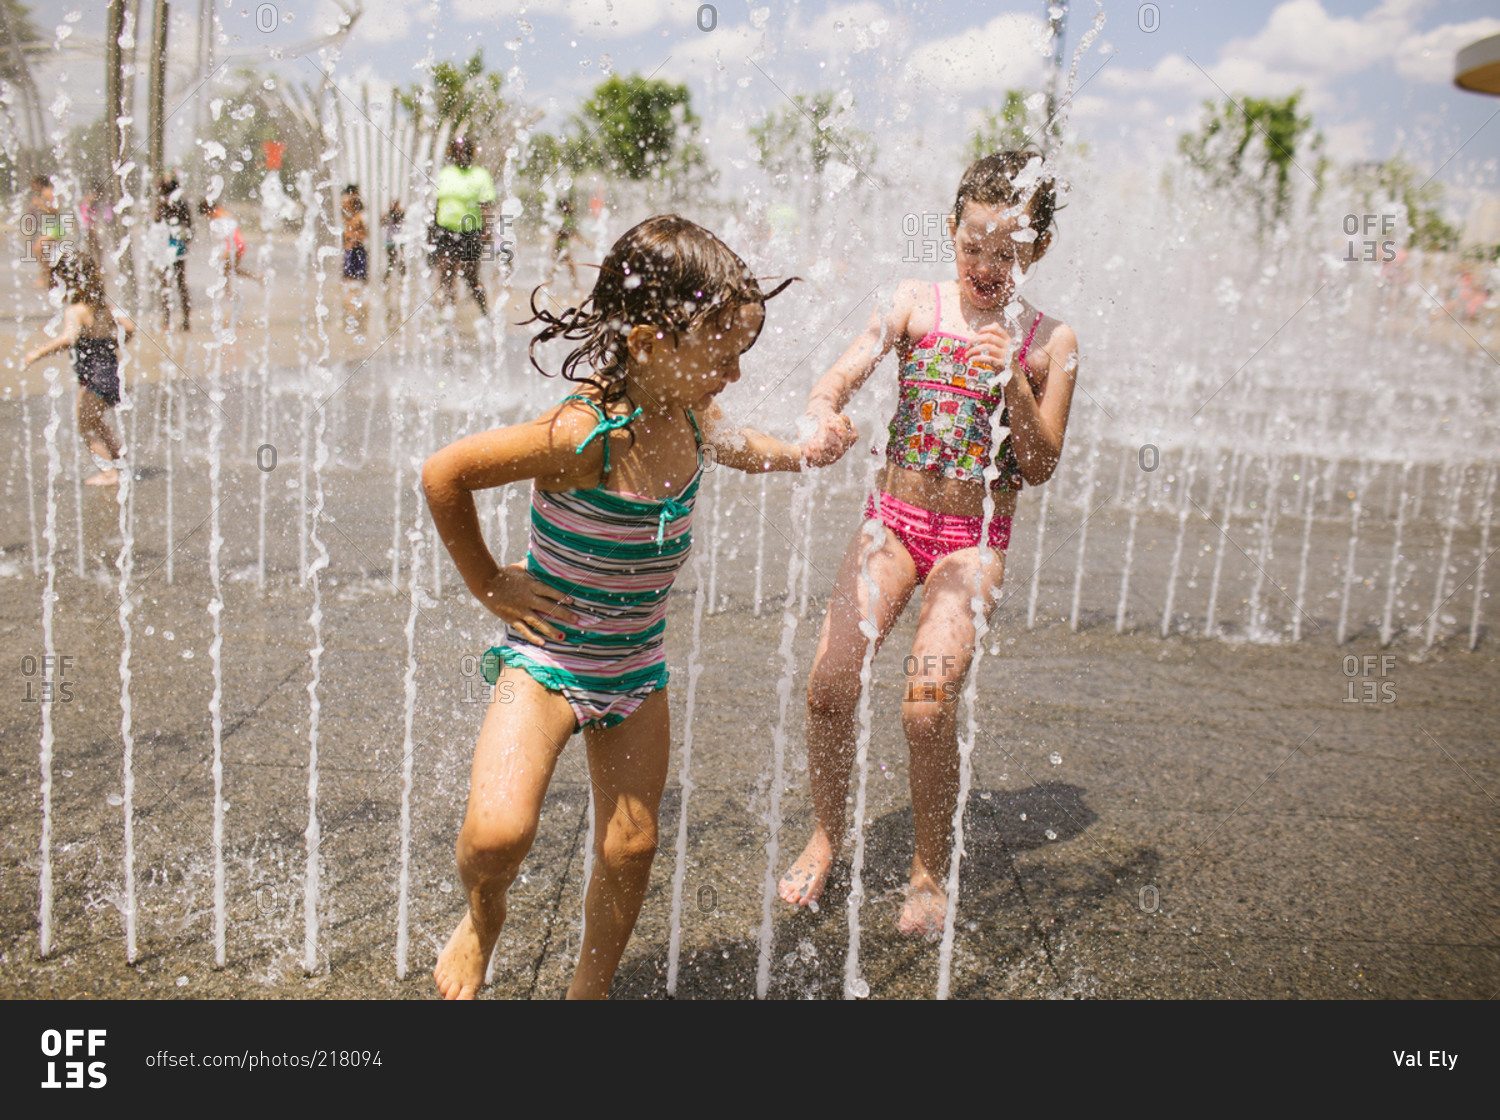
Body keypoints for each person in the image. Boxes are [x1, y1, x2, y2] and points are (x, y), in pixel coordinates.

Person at [423, 214, 834, 999]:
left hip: (635, 665)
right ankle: (482, 919)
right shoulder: (582, 434)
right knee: (495, 837)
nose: (735, 375)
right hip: (547, 658)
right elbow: (445, 473)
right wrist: (490, 585)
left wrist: (803, 454)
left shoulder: (689, 415)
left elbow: (744, 444)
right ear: (647, 344)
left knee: (631, 847)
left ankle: (590, 992)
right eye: (723, 354)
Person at [778, 150, 1080, 937]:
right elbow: (835, 379)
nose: (987, 265)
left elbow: (1041, 465)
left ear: (1036, 250)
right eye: (973, 245)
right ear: (951, 232)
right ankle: (825, 834)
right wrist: (822, 415)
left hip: (972, 540)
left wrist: (1012, 380)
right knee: (830, 684)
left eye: (1007, 252)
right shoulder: (915, 304)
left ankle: (926, 868)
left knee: (924, 707)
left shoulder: (1051, 342)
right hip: (894, 524)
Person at [22, 252, 136, 486]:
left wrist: (37, 353)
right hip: (110, 374)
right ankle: (119, 458)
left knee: (85, 425)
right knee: (95, 420)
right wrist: (116, 344)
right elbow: (130, 327)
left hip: (94, 377)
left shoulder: (76, 311)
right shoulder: (103, 307)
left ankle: (109, 473)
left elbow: (68, 338)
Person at [429, 135, 494, 318]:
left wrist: (487, 230)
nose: (461, 155)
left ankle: (484, 313)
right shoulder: (445, 174)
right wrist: (431, 229)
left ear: (471, 153)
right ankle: (445, 314)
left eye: (465, 151)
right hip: (445, 230)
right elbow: (437, 203)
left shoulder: (480, 175)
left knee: (470, 274)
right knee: (445, 272)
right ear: (452, 153)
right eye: (457, 151)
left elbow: (485, 205)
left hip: (471, 232)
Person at [156, 175, 192, 331]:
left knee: (166, 283)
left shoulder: (164, 203)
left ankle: (166, 321)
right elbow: (189, 224)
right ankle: (186, 321)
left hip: (167, 246)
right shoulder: (181, 202)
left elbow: (156, 221)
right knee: (181, 283)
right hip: (178, 245)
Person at [27, 175, 63, 288]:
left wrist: (39, 204)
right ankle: (47, 279)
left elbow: (54, 210)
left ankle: (45, 278)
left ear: (39, 183)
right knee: (47, 255)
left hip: (54, 227)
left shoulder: (47, 192)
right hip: (48, 228)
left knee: (39, 249)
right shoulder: (42, 193)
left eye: (34, 184)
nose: (33, 187)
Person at [341, 184, 368, 330]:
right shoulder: (350, 218)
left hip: (355, 248)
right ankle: (352, 301)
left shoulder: (357, 218)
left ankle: (354, 301)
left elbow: (364, 233)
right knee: (351, 278)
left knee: (358, 278)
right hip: (352, 248)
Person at [381, 199, 406, 281]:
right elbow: (381, 221)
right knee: (391, 262)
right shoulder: (389, 216)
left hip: (399, 241)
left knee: (401, 261)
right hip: (390, 242)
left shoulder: (400, 215)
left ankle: (403, 278)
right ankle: (387, 279)